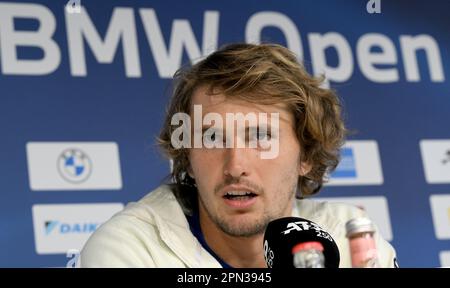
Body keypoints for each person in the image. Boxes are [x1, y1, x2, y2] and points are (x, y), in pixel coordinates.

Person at [80, 43, 397, 268]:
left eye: (261, 137)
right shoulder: (132, 250)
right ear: (188, 156)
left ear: (307, 155)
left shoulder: (349, 238)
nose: (235, 166)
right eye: (213, 137)